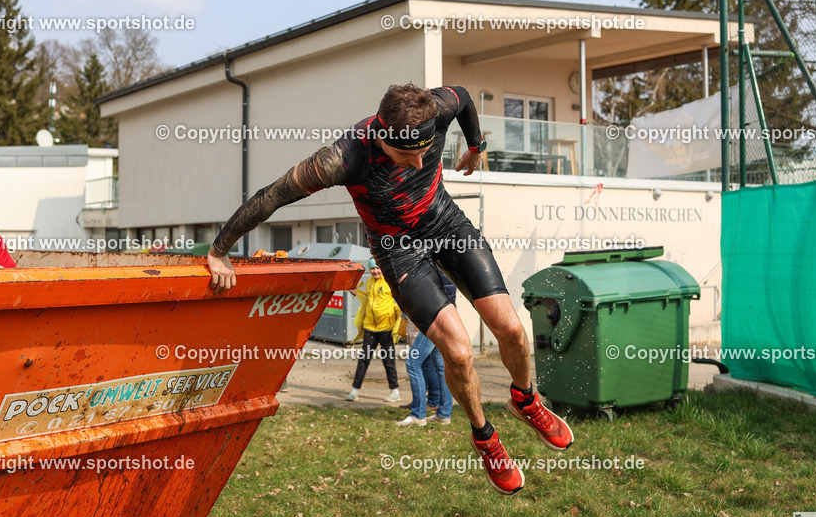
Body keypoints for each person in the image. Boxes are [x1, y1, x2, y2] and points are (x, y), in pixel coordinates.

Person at [206, 83, 573, 495]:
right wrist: (219, 250)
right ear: (382, 137)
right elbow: (272, 196)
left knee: (511, 330)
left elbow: (466, 96)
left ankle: (525, 400)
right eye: (406, 155)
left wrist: (476, 144)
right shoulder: (341, 159)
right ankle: (485, 438)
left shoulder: (435, 106)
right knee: (458, 351)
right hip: (399, 251)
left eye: (425, 150)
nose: (418, 163)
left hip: (446, 223)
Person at [395, 272, 456, 427]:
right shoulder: (442, 260)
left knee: (413, 362)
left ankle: (418, 415)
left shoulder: (430, 260)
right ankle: (443, 414)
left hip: (433, 317)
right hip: (443, 315)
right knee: (440, 366)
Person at [346, 258, 402, 403]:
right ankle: (354, 390)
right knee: (364, 359)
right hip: (370, 327)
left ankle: (395, 391)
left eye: (378, 268)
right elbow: (367, 298)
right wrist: (356, 292)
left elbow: (399, 298)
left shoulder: (389, 282)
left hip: (386, 329)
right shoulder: (370, 282)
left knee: (388, 360)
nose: (375, 271)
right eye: (372, 269)